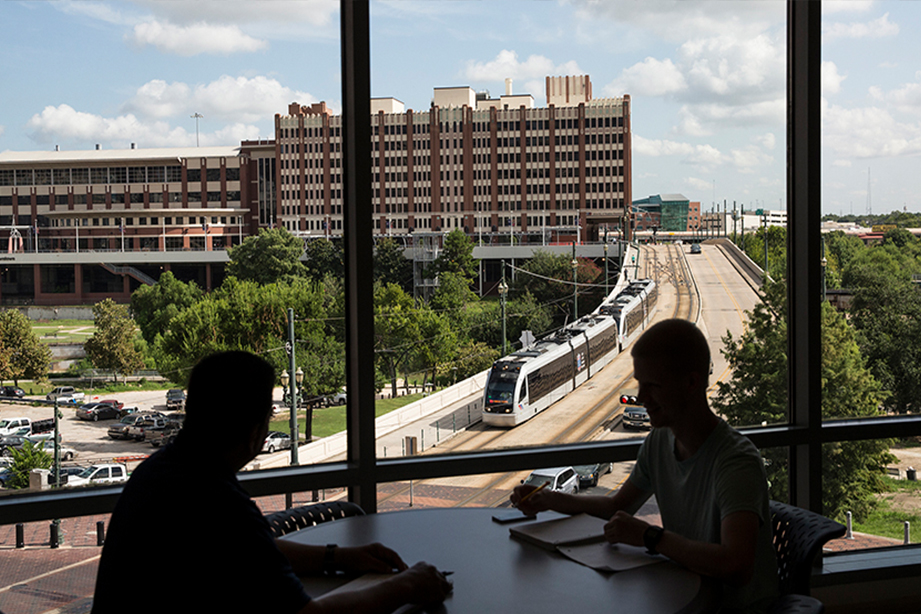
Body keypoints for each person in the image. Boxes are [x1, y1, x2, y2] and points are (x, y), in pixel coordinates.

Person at [92, 351, 451, 614]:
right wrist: (406, 585)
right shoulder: (219, 501)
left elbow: (250, 549)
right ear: (255, 435)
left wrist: (338, 557)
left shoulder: (161, 472)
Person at [511, 319, 778, 614]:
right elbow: (616, 507)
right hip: (685, 597)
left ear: (691, 383)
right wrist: (550, 499)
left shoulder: (736, 462)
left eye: (652, 386)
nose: (641, 398)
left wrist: (650, 537)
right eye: (640, 384)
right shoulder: (659, 442)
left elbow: (737, 566)